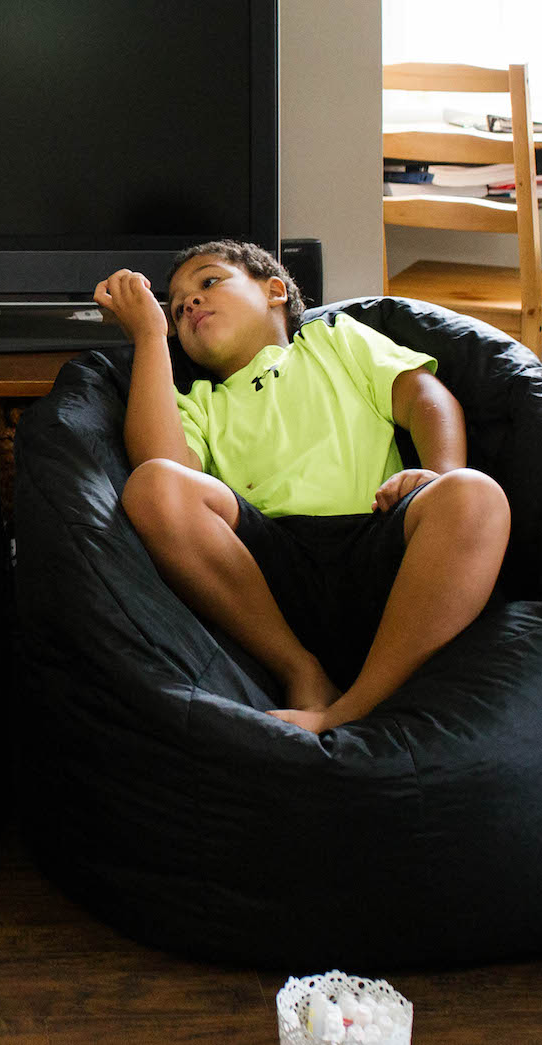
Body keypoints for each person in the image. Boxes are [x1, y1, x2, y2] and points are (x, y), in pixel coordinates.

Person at [93, 241, 510, 733]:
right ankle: (300, 670)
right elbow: (159, 464)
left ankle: (356, 707)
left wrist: (437, 474)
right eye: (177, 309)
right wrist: (148, 335)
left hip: (375, 545)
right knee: (152, 485)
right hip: (269, 575)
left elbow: (425, 398)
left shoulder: (335, 341)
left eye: (208, 283)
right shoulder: (199, 402)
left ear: (274, 291)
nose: (190, 305)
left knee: (475, 493)